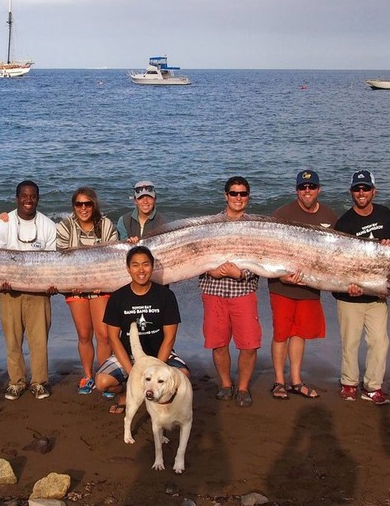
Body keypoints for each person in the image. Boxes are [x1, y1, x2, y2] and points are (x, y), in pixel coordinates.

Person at [267, 170, 338, 400]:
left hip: (310, 287)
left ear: (319, 189)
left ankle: (296, 380)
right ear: (297, 190)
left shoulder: (329, 215)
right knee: (281, 334)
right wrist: (280, 276)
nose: (307, 191)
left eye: (312, 187)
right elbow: (266, 248)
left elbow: (336, 254)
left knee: (299, 334)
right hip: (282, 287)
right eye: (303, 188)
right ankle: (279, 381)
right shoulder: (282, 213)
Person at [95, 246, 190, 414]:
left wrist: (157, 368)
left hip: (160, 354)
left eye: (146, 264)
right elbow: (113, 338)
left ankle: (158, 400)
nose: (141, 270)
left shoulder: (166, 296)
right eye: (135, 265)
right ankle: (125, 392)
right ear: (128, 268)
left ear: (152, 267)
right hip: (129, 355)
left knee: (183, 376)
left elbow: (169, 338)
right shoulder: (117, 297)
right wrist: (134, 375)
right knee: (102, 382)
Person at [0, 180, 57, 400]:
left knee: (39, 340)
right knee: (13, 339)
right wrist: (2, 281)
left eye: (33, 196)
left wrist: (52, 284)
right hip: (10, 291)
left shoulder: (48, 225)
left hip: (39, 292)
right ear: (17, 198)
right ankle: (16, 382)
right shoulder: (2, 225)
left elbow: (52, 261)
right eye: (24, 196)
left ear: (38, 198)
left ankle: (39, 382)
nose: (28, 200)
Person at [333, 170, 390, 405]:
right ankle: (349, 383)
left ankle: (373, 387)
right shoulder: (344, 222)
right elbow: (338, 261)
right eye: (357, 189)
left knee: (380, 341)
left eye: (365, 188)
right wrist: (349, 285)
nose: (361, 193)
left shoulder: (384, 213)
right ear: (351, 192)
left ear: (373, 191)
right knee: (350, 342)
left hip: (376, 294)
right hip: (349, 294)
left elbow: (385, 255)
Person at [198, 176, 260, 407]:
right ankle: (225, 383)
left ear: (248, 197)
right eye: (233, 193)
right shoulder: (209, 225)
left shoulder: (256, 226)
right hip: (214, 290)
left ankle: (242, 387)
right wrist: (210, 270)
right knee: (218, 343)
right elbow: (195, 254)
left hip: (243, 291)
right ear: (226, 196)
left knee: (250, 344)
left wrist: (241, 274)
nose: (238, 198)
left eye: (242, 194)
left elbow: (264, 257)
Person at [56, 187, 119, 395]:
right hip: (75, 287)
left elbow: (113, 256)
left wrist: (102, 280)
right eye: (79, 204)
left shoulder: (106, 225)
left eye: (88, 204)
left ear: (94, 204)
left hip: (101, 285)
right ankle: (87, 376)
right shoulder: (65, 226)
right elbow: (61, 259)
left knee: (103, 335)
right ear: (74, 207)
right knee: (84, 335)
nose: (83, 208)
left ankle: (104, 375)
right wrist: (72, 282)